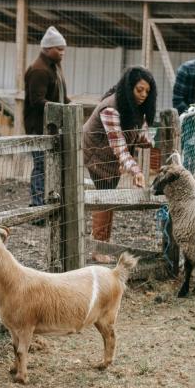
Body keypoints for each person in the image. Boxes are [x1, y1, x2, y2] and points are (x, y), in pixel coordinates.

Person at [81, 66, 157, 263]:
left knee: (108, 196)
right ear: (129, 87)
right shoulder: (110, 108)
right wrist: (136, 171)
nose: (143, 95)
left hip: (110, 155)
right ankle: (98, 247)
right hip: (97, 153)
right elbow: (119, 147)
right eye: (139, 90)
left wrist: (145, 140)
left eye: (147, 91)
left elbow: (138, 132)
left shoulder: (134, 106)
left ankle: (101, 242)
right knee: (105, 196)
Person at [24, 26, 70, 210]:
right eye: (58, 49)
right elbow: (37, 101)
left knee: (47, 165)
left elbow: (58, 95)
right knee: (41, 165)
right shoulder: (39, 70)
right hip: (38, 127)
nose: (62, 53)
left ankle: (44, 201)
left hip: (49, 126)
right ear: (47, 49)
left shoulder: (53, 68)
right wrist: (61, 109)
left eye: (63, 49)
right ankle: (37, 205)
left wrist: (69, 105)